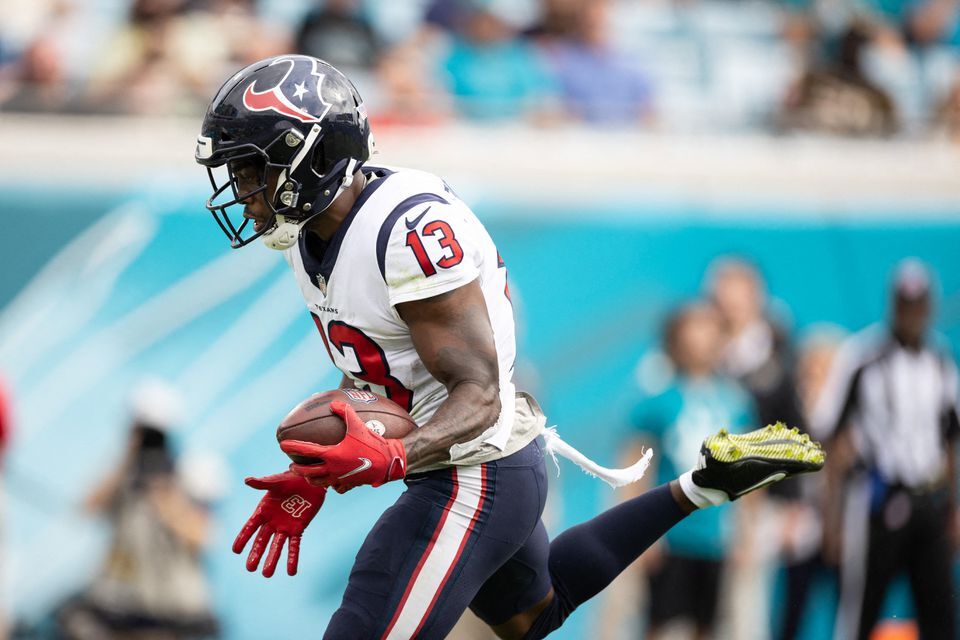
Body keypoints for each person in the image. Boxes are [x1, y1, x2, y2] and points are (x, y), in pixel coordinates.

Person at [193, 54, 824, 640]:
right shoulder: (310, 234)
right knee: (535, 615)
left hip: (475, 467)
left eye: (252, 170)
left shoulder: (408, 229)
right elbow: (375, 376)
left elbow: (480, 394)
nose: (242, 190)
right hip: (474, 463)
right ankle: (703, 485)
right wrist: (314, 472)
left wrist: (395, 454)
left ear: (311, 157)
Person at [812, 259, 959, 640]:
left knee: (939, 611)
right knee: (861, 608)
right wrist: (832, 518)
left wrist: (954, 508)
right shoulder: (862, 356)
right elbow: (831, 435)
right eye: (905, 306)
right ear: (892, 305)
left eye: (918, 306)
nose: (911, 316)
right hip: (876, 500)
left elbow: (952, 439)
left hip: (928, 501)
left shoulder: (940, 361)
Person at [625, 303, 757, 640]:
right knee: (660, 621)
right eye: (693, 328)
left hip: (716, 538)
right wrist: (642, 534)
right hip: (673, 533)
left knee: (707, 624)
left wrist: (745, 535)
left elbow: (748, 472)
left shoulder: (736, 401)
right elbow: (637, 468)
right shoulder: (659, 400)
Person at [57, 380, 220, 640]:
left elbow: (204, 537)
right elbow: (86, 508)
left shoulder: (192, 475)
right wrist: (126, 460)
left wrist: (166, 501)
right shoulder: (122, 474)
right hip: (122, 603)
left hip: (172, 611)